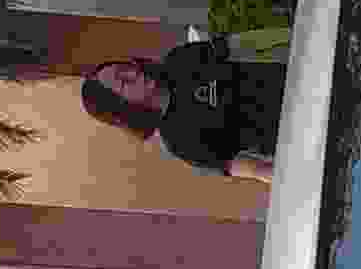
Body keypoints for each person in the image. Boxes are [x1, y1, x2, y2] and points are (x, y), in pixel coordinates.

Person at [81, 39, 283, 179]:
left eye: (124, 68)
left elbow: (245, 43)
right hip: (289, 132)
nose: (133, 74)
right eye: (123, 83)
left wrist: (293, 36)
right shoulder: (179, 139)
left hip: (296, 78)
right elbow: (251, 168)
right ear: (124, 109)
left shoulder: (180, 60)